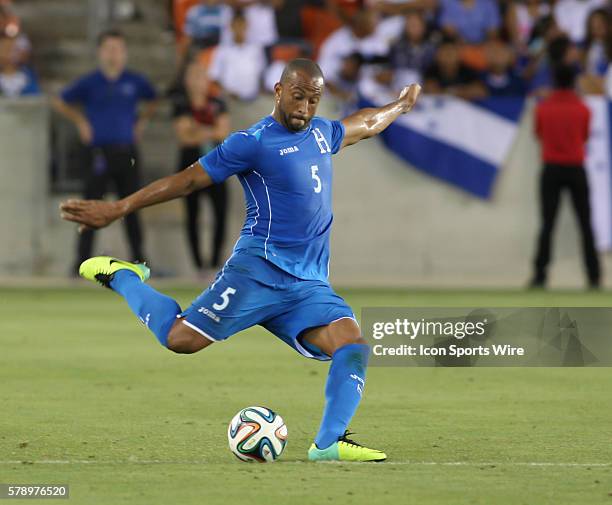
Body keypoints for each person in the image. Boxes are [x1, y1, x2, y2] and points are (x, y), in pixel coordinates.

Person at [59, 58, 421, 462]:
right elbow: (188, 180)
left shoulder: (322, 133)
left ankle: (328, 443)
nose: (304, 108)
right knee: (180, 340)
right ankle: (124, 276)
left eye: (313, 100)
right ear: (279, 91)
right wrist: (119, 208)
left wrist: (401, 106)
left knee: (352, 345)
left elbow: (366, 124)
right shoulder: (252, 142)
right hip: (258, 271)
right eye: (298, 96)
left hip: (307, 285)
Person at [52, 29, 158, 275]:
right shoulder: (90, 82)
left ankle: (140, 261)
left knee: (132, 205)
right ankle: (81, 261)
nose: (114, 55)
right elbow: (60, 100)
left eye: (118, 49)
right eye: (109, 49)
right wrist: (80, 121)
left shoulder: (134, 81)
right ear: (100, 52)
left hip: (126, 151)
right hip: (98, 152)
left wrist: (140, 122)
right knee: (90, 206)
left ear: (125, 53)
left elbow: (154, 98)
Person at [531, 64, 600, 289]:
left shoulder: (543, 108)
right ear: (573, 82)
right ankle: (594, 276)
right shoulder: (583, 109)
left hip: (551, 168)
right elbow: (585, 136)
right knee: (585, 224)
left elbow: (538, 134)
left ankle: (540, 275)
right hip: (575, 168)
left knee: (547, 224)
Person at [172, 62, 230, 272]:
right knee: (192, 215)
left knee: (220, 214)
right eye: (193, 76)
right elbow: (184, 137)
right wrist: (210, 129)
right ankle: (198, 265)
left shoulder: (217, 103)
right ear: (187, 81)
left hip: (217, 165)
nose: (197, 82)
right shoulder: (181, 104)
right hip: (189, 166)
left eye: (201, 76)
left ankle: (215, 262)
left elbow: (223, 132)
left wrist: (198, 130)